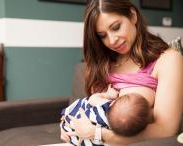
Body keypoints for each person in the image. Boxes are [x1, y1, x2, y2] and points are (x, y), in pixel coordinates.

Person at [61, 0, 183, 145]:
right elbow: (90, 107)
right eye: (102, 35)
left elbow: (166, 129)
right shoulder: (103, 63)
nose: (111, 41)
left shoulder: (168, 60)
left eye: (116, 27)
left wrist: (98, 134)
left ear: (133, 16)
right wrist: (70, 122)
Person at [61, 85, 151, 146]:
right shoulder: (115, 131)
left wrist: (107, 95)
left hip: (71, 125)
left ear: (112, 103)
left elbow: (92, 99)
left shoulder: (104, 107)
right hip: (78, 138)